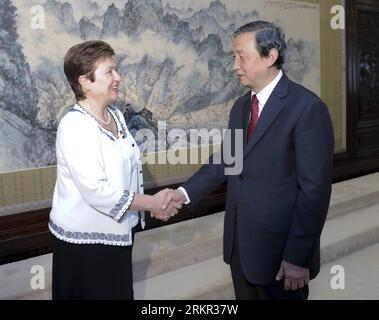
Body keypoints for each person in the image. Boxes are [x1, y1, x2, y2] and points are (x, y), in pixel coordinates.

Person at [155, 21, 334, 300]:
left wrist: (298, 257)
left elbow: (315, 193)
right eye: (233, 57)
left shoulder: (307, 108)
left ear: (270, 56)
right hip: (241, 247)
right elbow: (229, 159)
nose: (234, 65)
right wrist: (183, 194)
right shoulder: (241, 107)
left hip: (282, 254)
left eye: (242, 56)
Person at [49, 40, 181, 300]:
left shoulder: (115, 116)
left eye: (116, 70)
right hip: (87, 245)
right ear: (85, 81)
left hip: (119, 235)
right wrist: (153, 203)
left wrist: (150, 205)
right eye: (109, 71)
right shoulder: (75, 126)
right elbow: (97, 191)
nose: (118, 77)